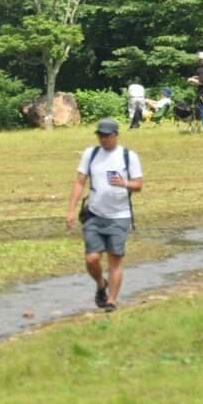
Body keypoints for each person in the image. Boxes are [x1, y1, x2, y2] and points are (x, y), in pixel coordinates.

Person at [65, 118, 143, 312]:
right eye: (100, 135)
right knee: (91, 258)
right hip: (94, 214)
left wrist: (124, 183)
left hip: (119, 215)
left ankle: (112, 301)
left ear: (116, 135)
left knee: (114, 258)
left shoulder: (128, 156)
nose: (103, 139)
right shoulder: (90, 154)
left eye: (107, 136)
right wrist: (71, 210)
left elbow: (139, 185)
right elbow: (79, 182)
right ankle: (101, 284)